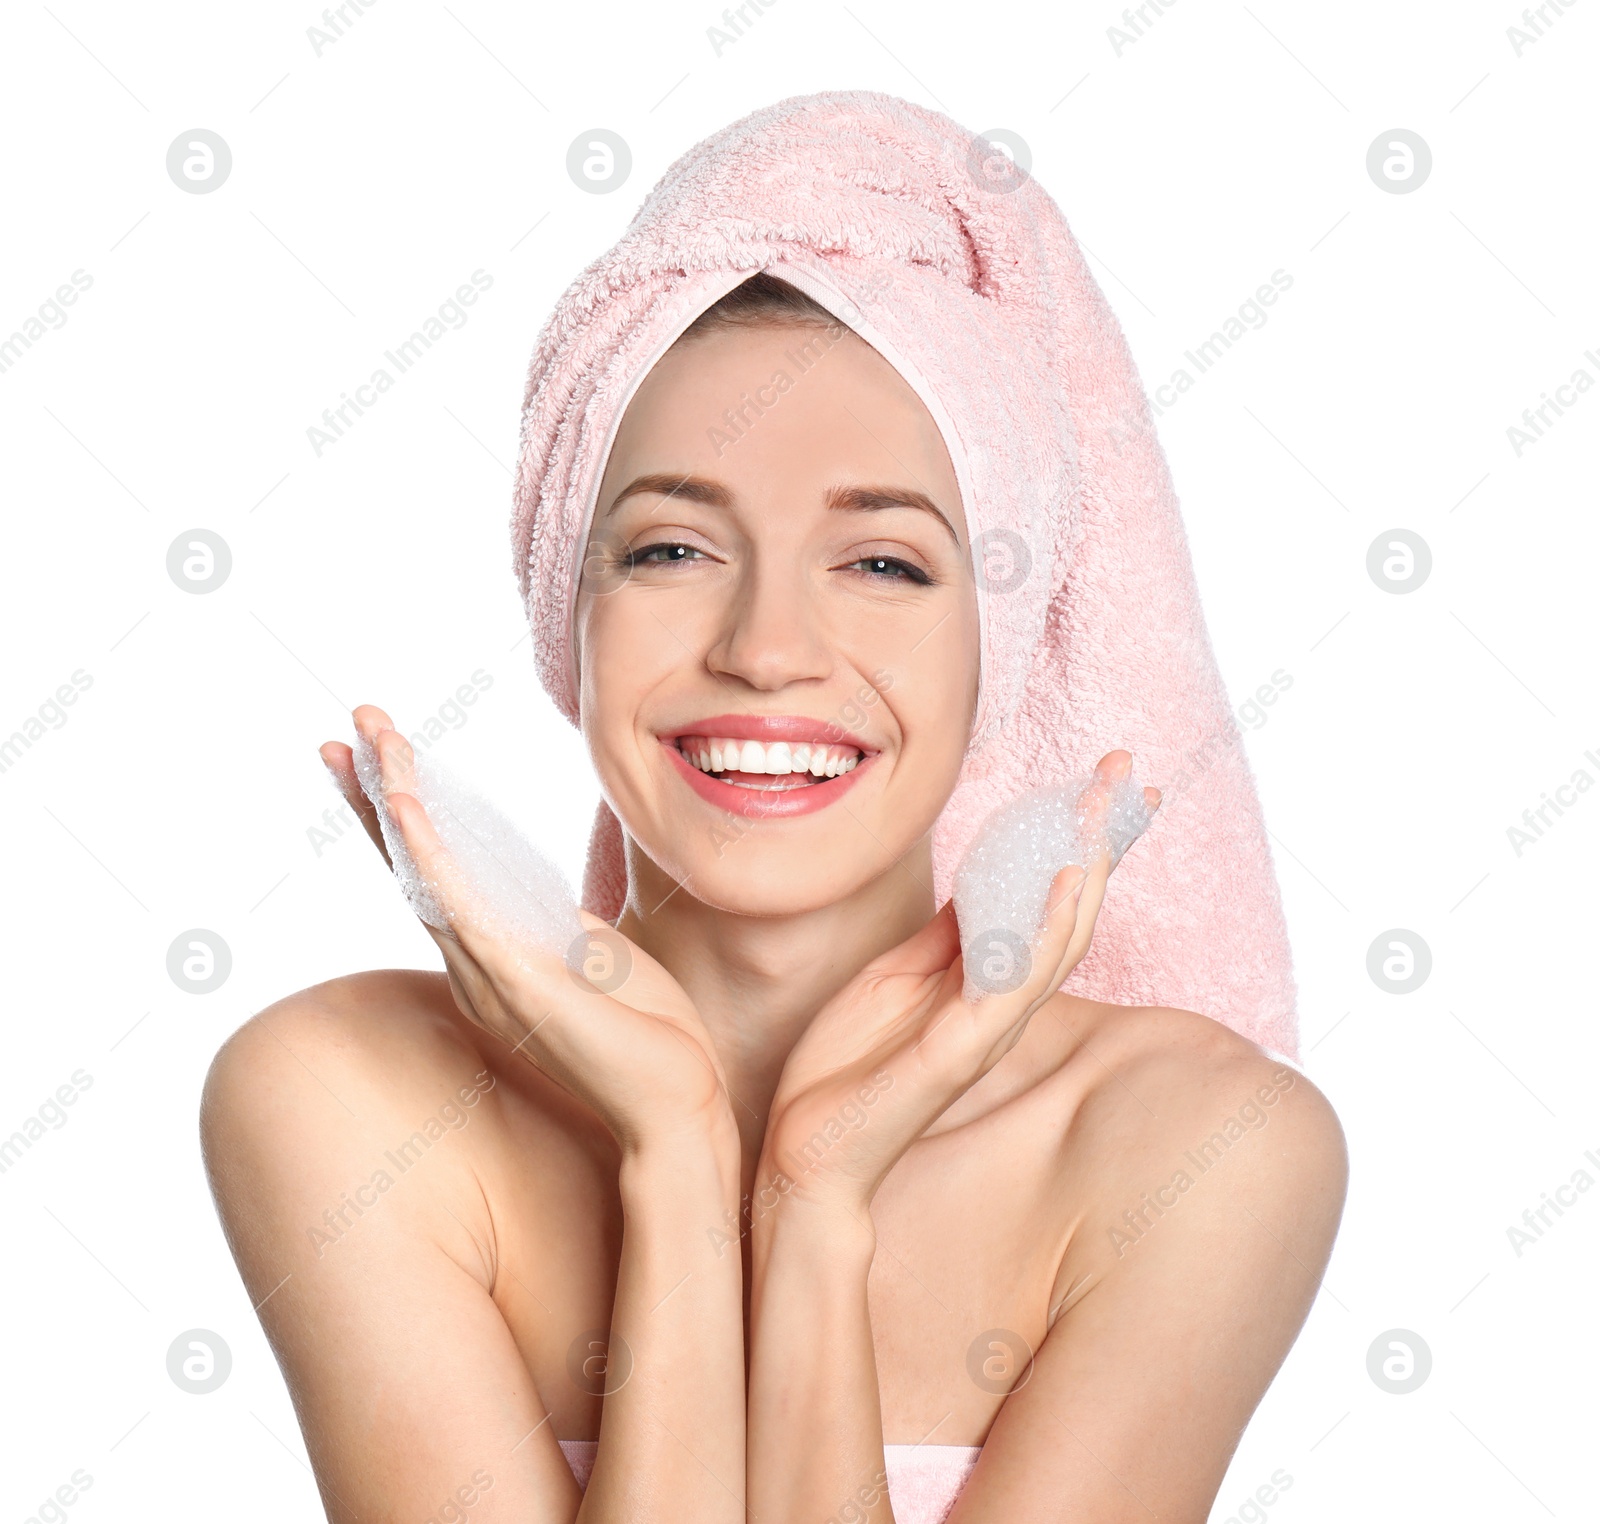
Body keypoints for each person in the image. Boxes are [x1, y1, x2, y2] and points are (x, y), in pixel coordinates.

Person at [202, 99, 1346, 1524]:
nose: (766, 649)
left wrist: (813, 1207)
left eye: (882, 564)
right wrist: (677, 1165)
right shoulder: (345, 1100)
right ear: (569, 608)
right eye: (673, 546)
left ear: (1005, 633)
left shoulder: (1199, 1153)